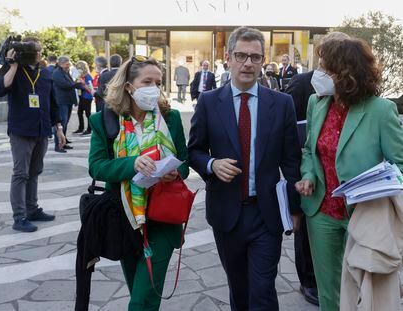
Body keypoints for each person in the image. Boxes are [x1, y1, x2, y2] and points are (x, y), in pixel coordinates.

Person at [188, 26, 302, 310]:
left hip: (267, 215)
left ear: (263, 60)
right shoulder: (209, 102)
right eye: (241, 55)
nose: (248, 63)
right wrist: (212, 164)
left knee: (262, 292)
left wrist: (296, 209)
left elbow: (291, 161)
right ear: (228, 58)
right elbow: (194, 151)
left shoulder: (282, 103)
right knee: (239, 291)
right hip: (227, 214)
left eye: (255, 57)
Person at [295, 37, 403, 311]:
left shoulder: (381, 110)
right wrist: (308, 174)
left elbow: (399, 165)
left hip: (366, 213)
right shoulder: (316, 102)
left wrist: (376, 185)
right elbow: (309, 149)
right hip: (322, 211)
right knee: (328, 290)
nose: (318, 74)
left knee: (366, 289)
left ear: (345, 73)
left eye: (324, 68)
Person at [88, 55, 189, 310]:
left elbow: (184, 164)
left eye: (158, 82)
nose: (153, 88)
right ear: (129, 86)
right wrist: (132, 163)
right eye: (147, 81)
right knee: (139, 291)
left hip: (164, 217)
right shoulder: (105, 120)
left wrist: (174, 173)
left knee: (141, 299)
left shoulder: (171, 118)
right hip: (126, 218)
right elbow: (96, 166)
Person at [0, 37, 65, 232]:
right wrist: (13, 65)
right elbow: (0, 89)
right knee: (21, 174)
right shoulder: (13, 71)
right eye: (35, 51)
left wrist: (58, 128)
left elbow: (53, 103)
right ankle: (19, 217)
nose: (38, 54)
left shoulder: (45, 74)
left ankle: (32, 209)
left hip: (41, 130)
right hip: (21, 131)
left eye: (39, 51)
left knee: (35, 172)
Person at [52, 56, 84, 153]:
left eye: (69, 64)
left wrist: (77, 83)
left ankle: (63, 141)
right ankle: (58, 144)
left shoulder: (65, 72)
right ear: (61, 64)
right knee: (61, 123)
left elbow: (70, 83)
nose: (68, 66)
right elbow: (64, 84)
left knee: (65, 122)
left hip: (67, 101)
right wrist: (77, 84)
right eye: (67, 64)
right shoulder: (57, 73)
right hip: (62, 101)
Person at [73, 60, 94, 135]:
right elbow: (74, 84)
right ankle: (80, 128)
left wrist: (82, 83)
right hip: (82, 96)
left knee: (88, 113)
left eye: (78, 67)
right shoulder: (81, 76)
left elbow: (90, 89)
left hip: (87, 97)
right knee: (79, 112)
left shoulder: (88, 76)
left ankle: (89, 129)